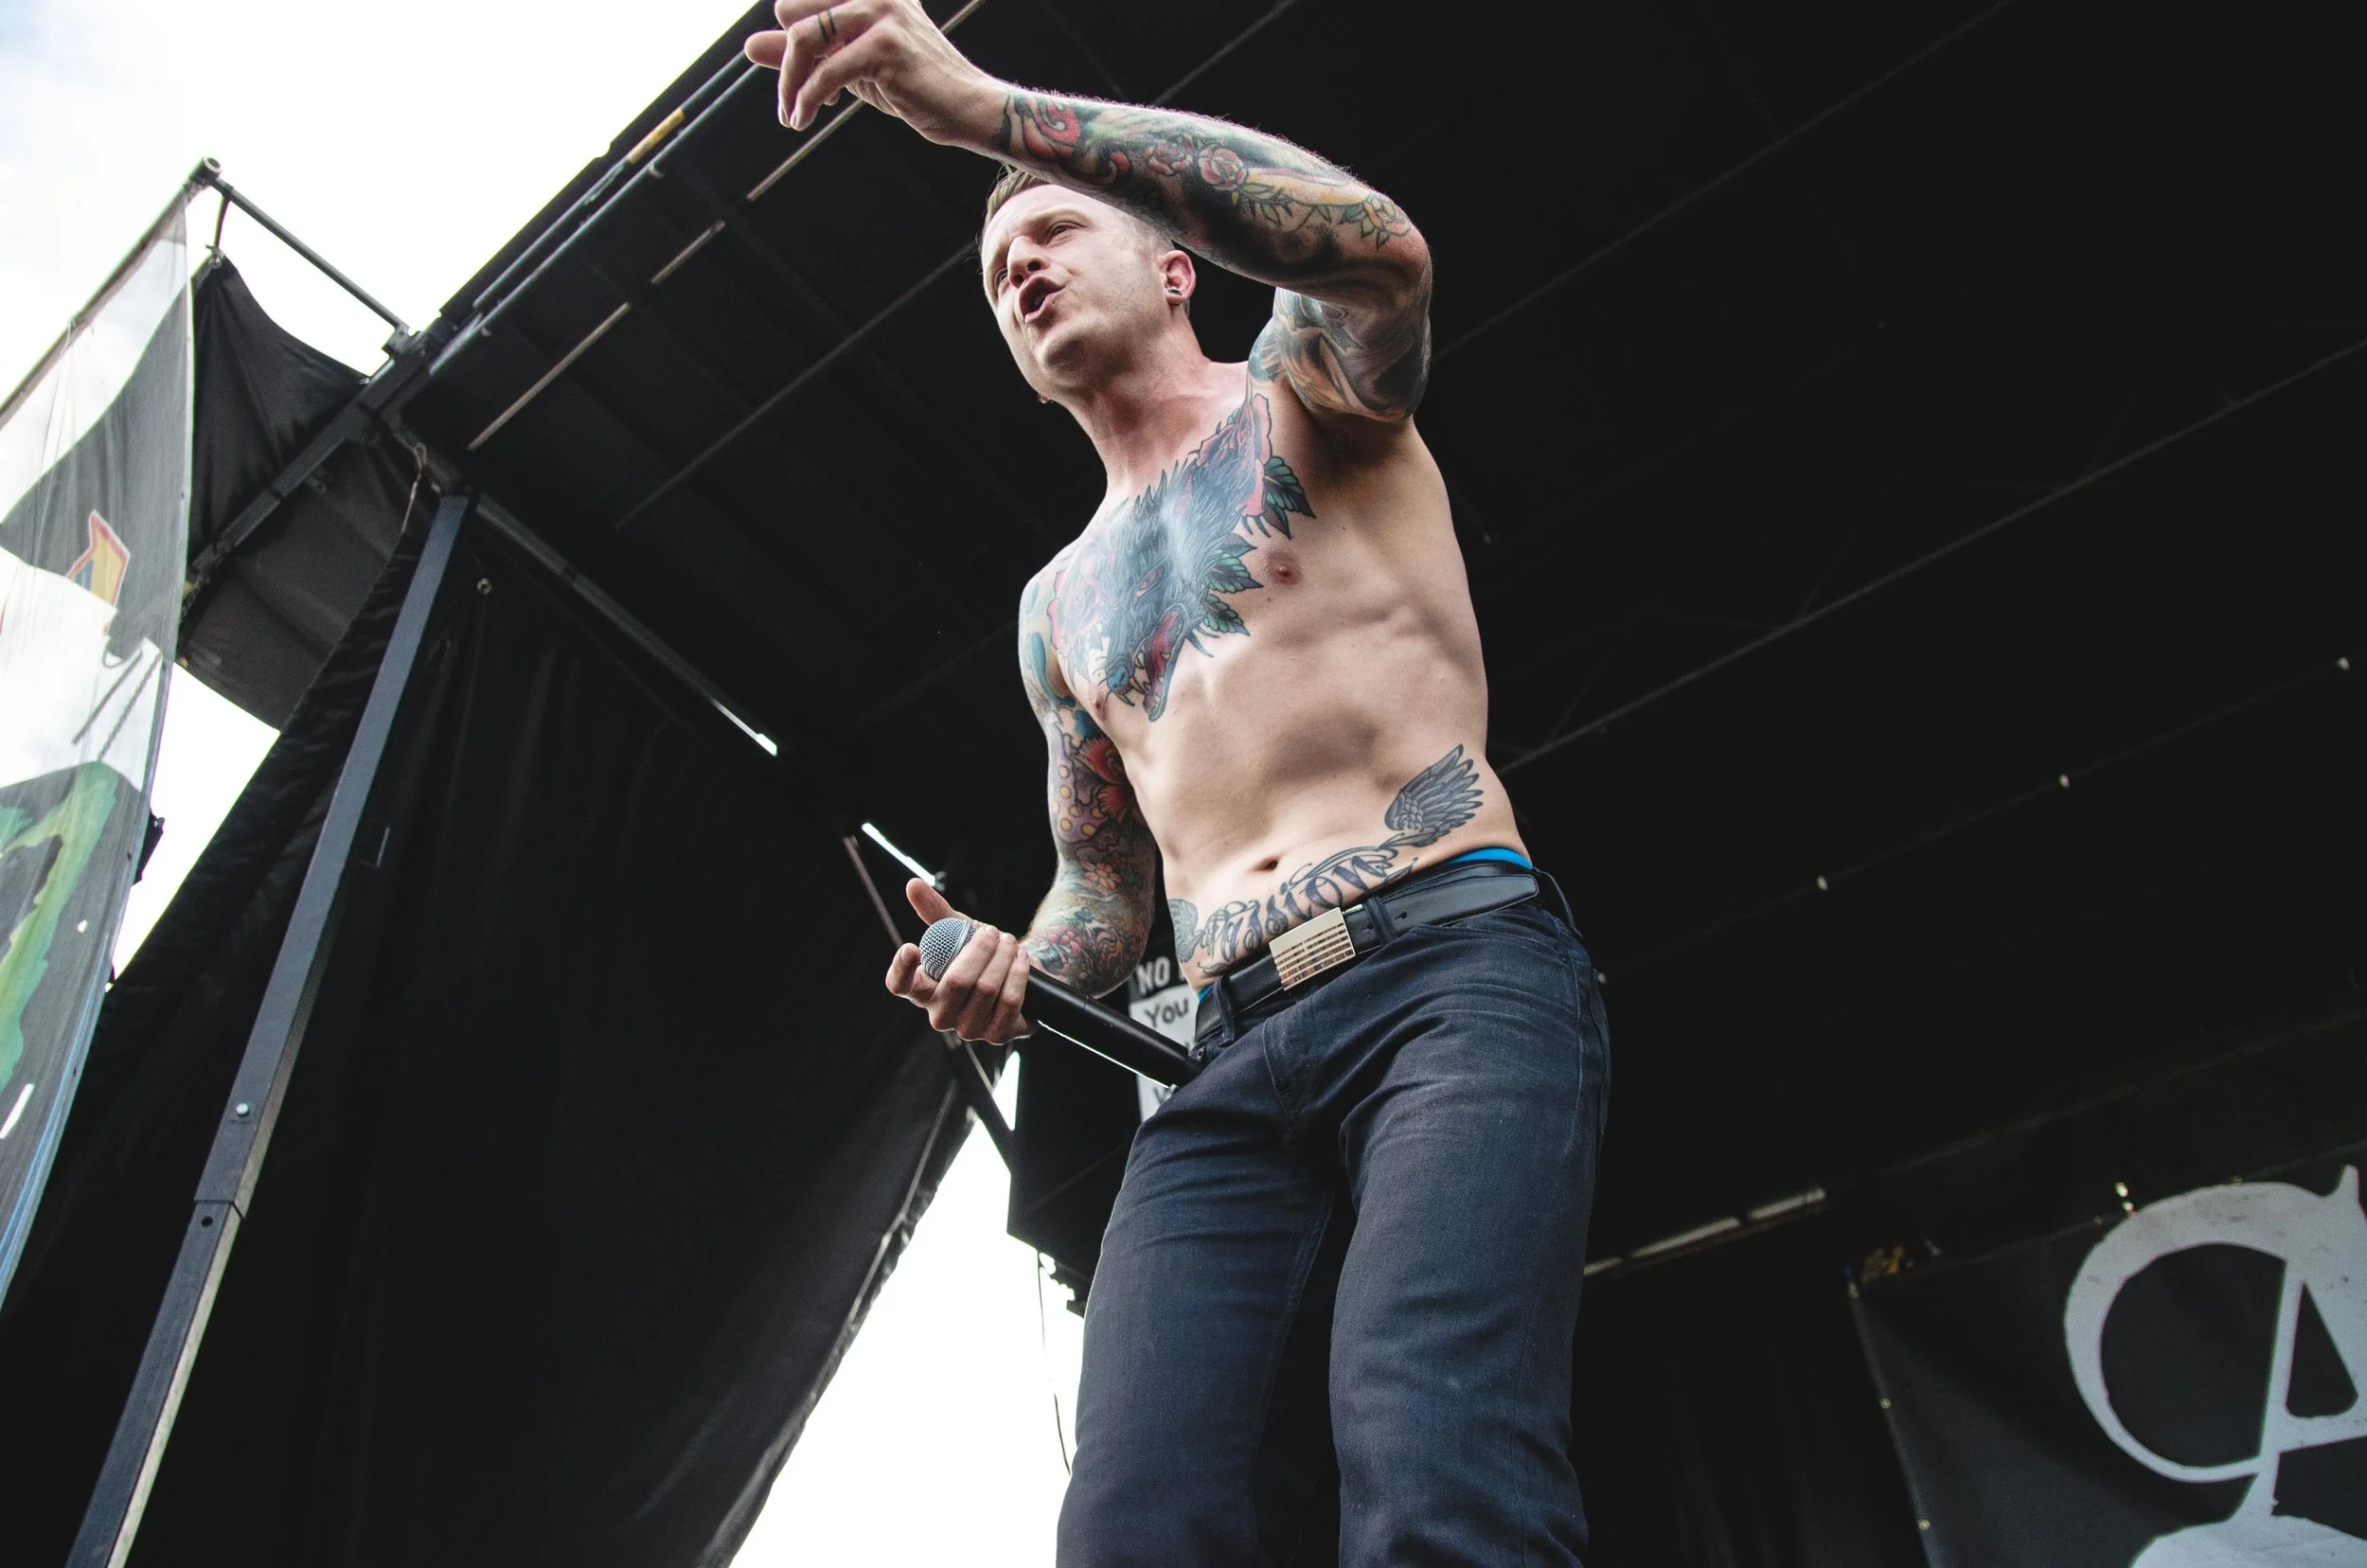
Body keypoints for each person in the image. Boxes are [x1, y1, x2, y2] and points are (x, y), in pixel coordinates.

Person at [746, 5, 1610, 1561]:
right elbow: (1104, 893)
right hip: (1222, 1057)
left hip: (1446, 967)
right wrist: (1013, 968)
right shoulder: (1055, 608)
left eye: (1057, 233)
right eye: (996, 273)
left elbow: (1383, 249)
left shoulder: (1307, 391)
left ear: (1174, 268)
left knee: (1433, 1450)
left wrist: (991, 114)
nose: (1020, 269)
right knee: (1129, 1518)